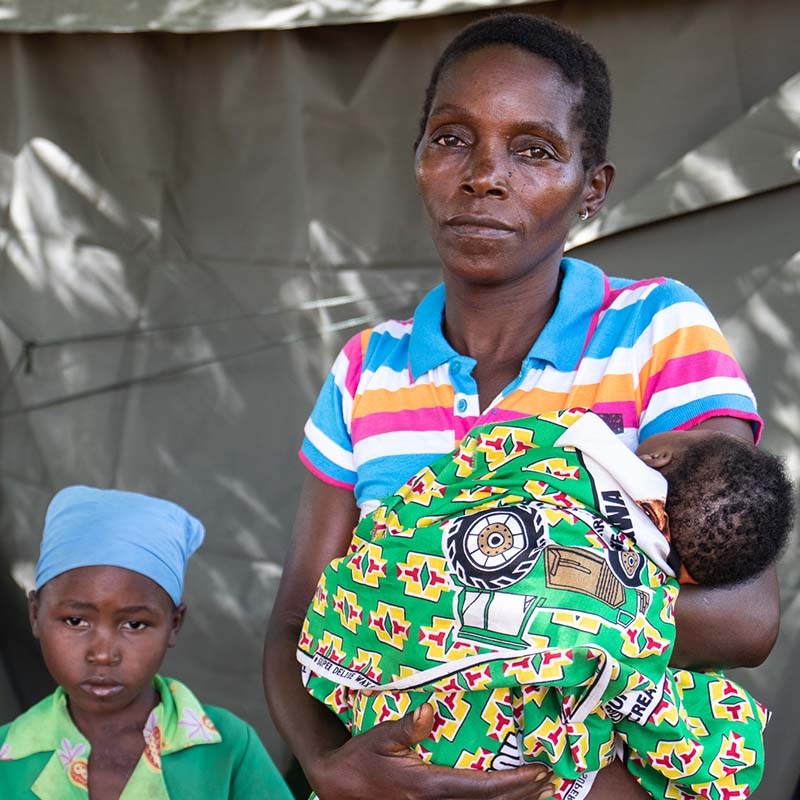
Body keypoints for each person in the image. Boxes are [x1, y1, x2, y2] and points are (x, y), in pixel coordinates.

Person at [263, 12, 779, 800]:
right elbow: (296, 623)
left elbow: (745, 618)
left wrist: (467, 604)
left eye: (534, 150)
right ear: (419, 161)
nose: (484, 175)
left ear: (591, 190)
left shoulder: (652, 331)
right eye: (451, 138)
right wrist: (331, 768)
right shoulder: (368, 369)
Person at [297, 408, 793, 799]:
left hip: (360, 647)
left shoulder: (552, 445)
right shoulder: (643, 604)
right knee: (725, 735)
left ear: (660, 455)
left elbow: (462, 468)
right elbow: (618, 677)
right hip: (471, 749)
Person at [0, 485, 294, 800]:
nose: (102, 654)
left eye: (135, 624)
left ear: (174, 624)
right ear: (35, 615)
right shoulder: (9, 758)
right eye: (75, 621)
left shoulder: (226, 748)